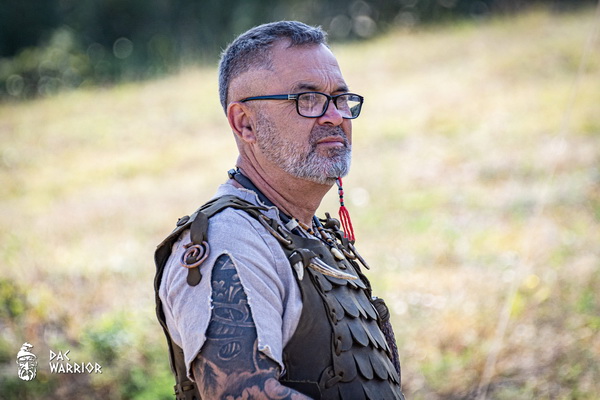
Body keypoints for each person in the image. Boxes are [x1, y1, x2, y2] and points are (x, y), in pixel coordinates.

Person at [154, 21, 405, 400]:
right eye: (307, 100)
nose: (335, 117)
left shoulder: (304, 230)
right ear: (246, 123)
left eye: (340, 99)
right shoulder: (231, 240)